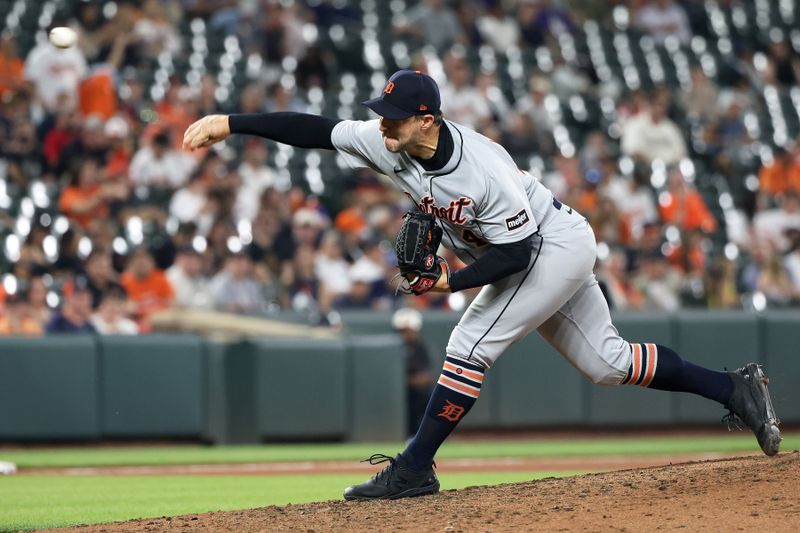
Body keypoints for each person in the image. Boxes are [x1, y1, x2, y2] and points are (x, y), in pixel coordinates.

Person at [183, 69, 782, 501]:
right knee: (608, 362)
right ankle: (734, 389)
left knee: (469, 347)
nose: (380, 125)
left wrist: (452, 282)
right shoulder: (388, 140)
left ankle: (415, 468)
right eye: (380, 114)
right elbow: (315, 130)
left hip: (550, 244)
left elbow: (518, 253)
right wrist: (231, 123)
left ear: (428, 119)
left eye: (392, 117)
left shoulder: (483, 168)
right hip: (532, 248)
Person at [392, 308, 435, 437]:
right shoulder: (392, 348)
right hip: (396, 394)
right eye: (401, 331)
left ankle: (425, 435)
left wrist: (404, 381)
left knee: (425, 395)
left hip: (416, 393)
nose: (405, 335)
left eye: (408, 331)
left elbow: (425, 377)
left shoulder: (421, 348)